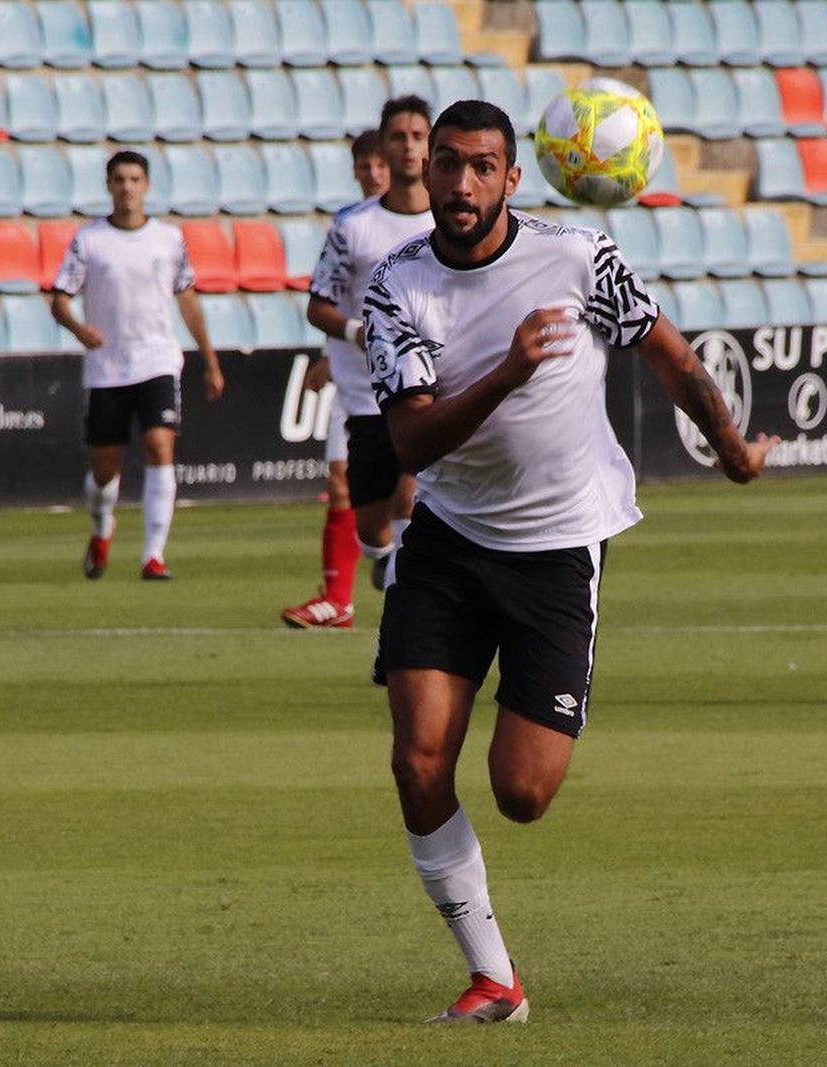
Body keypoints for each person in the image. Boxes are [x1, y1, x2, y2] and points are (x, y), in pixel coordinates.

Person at [362, 100, 777, 1023]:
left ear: (515, 177)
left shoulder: (580, 258)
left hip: (557, 551)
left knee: (521, 794)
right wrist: (507, 372)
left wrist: (734, 448)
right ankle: (493, 977)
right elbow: (415, 444)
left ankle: (496, 966)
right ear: (425, 174)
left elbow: (670, 357)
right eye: (449, 165)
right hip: (452, 542)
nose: (462, 183)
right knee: (419, 756)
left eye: (483, 166)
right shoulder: (395, 287)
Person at [281, 100, 432, 629]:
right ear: (384, 148)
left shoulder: (454, 217)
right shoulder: (353, 227)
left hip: (435, 389)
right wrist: (353, 332)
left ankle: (408, 632)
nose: (409, 145)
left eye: (418, 135)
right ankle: (385, 561)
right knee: (372, 526)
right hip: (370, 394)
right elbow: (318, 301)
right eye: (399, 136)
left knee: (416, 500)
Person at [51, 149, 225, 581]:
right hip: (107, 367)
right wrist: (78, 330)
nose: (127, 187)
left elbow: (188, 300)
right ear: (108, 186)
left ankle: (153, 555)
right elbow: (58, 298)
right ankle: (101, 526)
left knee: (159, 447)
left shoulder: (168, 239)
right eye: (119, 179)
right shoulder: (89, 240)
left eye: (134, 179)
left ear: (146, 186)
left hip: (158, 360)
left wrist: (210, 361)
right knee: (104, 471)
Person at [281, 130, 391, 629]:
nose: (372, 173)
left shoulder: (429, 225)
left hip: (412, 382)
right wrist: (336, 351)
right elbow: (333, 302)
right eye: (364, 166)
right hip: (354, 381)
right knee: (341, 481)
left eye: (379, 165)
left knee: (409, 496)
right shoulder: (349, 227)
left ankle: (398, 578)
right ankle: (337, 599)